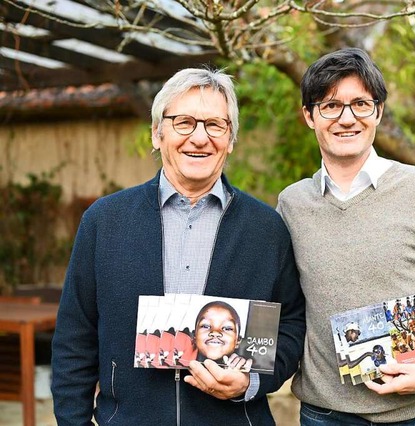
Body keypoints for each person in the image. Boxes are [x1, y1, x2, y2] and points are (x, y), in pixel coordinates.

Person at [51, 66, 305, 425]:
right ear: (158, 133)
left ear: (230, 138)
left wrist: (251, 381)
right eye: (184, 122)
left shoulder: (266, 229)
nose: (200, 138)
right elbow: (74, 339)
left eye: (215, 125)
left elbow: (291, 326)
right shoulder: (105, 221)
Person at [277, 47, 415, 424]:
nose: (347, 118)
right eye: (330, 105)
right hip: (326, 416)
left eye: (361, 104)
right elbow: (286, 307)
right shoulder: (292, 204)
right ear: (309, 116)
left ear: (378, 111)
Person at [193, 301, 251, 371]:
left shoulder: (243, 367)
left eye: (227, 328)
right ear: (194, 336)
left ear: (238, 340)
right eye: (206, 326)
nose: (215, 332)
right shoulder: (179, 362)